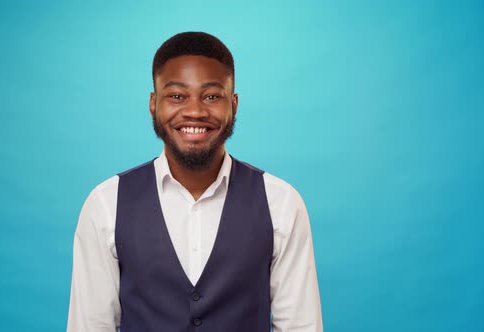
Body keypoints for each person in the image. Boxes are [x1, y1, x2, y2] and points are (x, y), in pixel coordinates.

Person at [67, 31, 323, 332]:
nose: (195, 111)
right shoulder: (105, 204)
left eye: (212, 96)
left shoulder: (280, 203)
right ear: (153, 103)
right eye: (177, 96)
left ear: (234, 104)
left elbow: (300, 326)